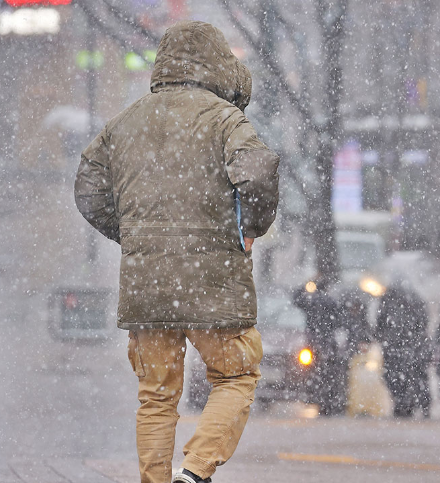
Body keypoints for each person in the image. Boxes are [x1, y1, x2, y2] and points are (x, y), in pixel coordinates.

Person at [75, 21, 279, 483]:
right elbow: (258, 171)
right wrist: (250, 228)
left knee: (156, 396)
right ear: (217, 63)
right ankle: (195, 471)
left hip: (147, 283)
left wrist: (133, 234)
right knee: (236, 375)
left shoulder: (125, 122)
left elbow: (88, 189)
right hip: (212, 279)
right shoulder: (225, 119)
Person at [375, 284, 431, 418]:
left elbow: (380, 323)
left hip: (396, 346)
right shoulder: (414, 299)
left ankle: (404, 404)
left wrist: (382, 336)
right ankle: (411, 404)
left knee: (397, 377)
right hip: (405, 345)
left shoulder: (388, 300)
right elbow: (423, 322)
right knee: (411, 376)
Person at [292, 278, 347, 415]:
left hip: (313, 342)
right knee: (329, 374)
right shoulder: (332, 302)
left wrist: (306, 284)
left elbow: (295, 298)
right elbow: (340, 321)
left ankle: (316, 396)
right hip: (328, 343)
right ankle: (328, 401)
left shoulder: (311, 301)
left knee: (313, 371)